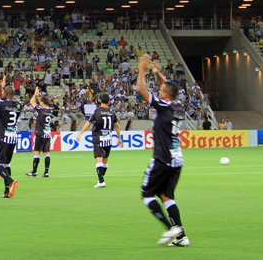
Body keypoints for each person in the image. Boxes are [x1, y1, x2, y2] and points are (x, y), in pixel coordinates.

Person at [136, 54, 189, 247]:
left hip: (162, 158)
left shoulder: (163, 105)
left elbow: (141, 89)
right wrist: (158, 73)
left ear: (165, 95)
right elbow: (168, 87)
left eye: (160, 90)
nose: (159, 91)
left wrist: (142, 69)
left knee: (146, 195)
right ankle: (182, 237)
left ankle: (170, 228)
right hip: (177, 159)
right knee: (166, 196)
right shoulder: (178, 106)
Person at [76, 92, 123, 188]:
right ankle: (100, 179)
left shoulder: (97, 111)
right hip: (108, 139)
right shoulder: (112, 112)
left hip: (98, 138)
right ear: (109, 102)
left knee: (99, 158)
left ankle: (101, 181)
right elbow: (117, 126)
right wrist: (119, 138)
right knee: (105, 160)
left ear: (100, 100)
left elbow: (89, 123)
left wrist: (80, 132)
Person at [0, 76, 21, 198]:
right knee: (7, 164)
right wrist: (6, 89)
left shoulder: (0, 103)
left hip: (2, 137)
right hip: (13, 137)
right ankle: (7, 191)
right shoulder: (18, 104)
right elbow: (12, 99)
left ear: (5, 93)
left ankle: (11, 182)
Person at [26, 86, 54, 178]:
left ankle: (34, 171)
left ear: (43, 103)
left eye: (41, 102)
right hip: (48, 134)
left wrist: (34, 94)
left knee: (37, 151)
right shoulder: (50, 110)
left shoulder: (41, 109)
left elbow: (31, 102)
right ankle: (46, 172)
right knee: (46, 152)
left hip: (40, 133)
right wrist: (38, 96)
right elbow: (41, 102)